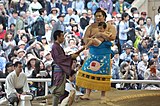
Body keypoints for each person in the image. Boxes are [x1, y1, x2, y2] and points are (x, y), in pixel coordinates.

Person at [76, 8, 116, 101]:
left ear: (104, 17)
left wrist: (101, 35)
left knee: (104, 73)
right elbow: (85, 39)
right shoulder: (90, 27)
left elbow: (113, 37)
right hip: (93, 53)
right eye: (96, 16)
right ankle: (87, 94)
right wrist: (94, 39)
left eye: (100, 16)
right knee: (89, 71)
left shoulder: (110, 27)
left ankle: (103, 95)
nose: (98, 18)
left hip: (104, 53)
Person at [50, 30, 84, 106]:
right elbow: (60, 59)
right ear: (57, 37)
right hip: (58, 70)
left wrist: (70, 57)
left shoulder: (57, 46)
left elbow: (63, 58)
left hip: (61, 70)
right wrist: (71, 57)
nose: (63, 38)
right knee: (57, 91)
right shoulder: (55, 46)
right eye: (62, 36)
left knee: (60, 90)